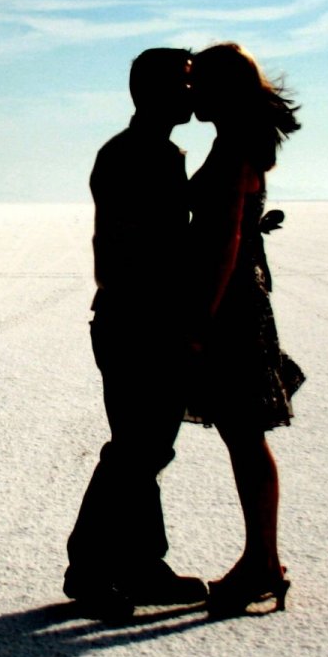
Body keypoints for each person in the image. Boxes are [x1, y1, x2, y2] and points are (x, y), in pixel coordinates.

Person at [64, 47, 209, 616]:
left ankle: (142, 564)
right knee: (135, 449)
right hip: (137, 321)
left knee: (147, 448)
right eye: (185, 83)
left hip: (143, 318)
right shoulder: (134, 155)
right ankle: (90, 568)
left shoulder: (153, 152)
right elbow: (139, 248)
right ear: (155, 92)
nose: (192, 93)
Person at [185, 42, 305, 617]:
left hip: (230, 305)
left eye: (197, 83)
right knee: (243, 434)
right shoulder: (234, 139)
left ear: (221, 90)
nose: (190, 93)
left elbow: (225, 244)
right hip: (238, 299)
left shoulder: (233, 146)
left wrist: (201, 321)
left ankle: (262, 562)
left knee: (244, 433)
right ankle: (263, 560)